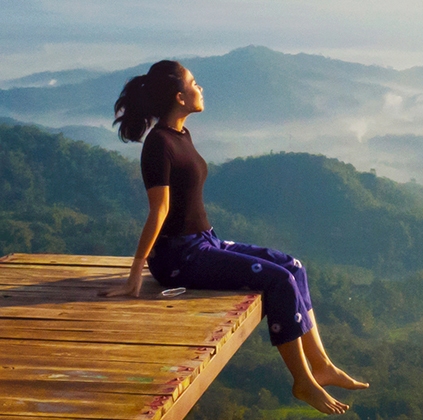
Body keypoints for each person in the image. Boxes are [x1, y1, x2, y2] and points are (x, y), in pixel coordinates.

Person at [102, 60, 368, 415]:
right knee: (279, 281)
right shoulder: (158, 145)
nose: (201, 88)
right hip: (178, 257)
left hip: (205, 241)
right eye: (195, 83)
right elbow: (159, 211)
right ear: (180, 97)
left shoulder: (182, 134)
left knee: (293, 266)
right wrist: (136, 273)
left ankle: (321, 364)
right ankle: (302, 380)